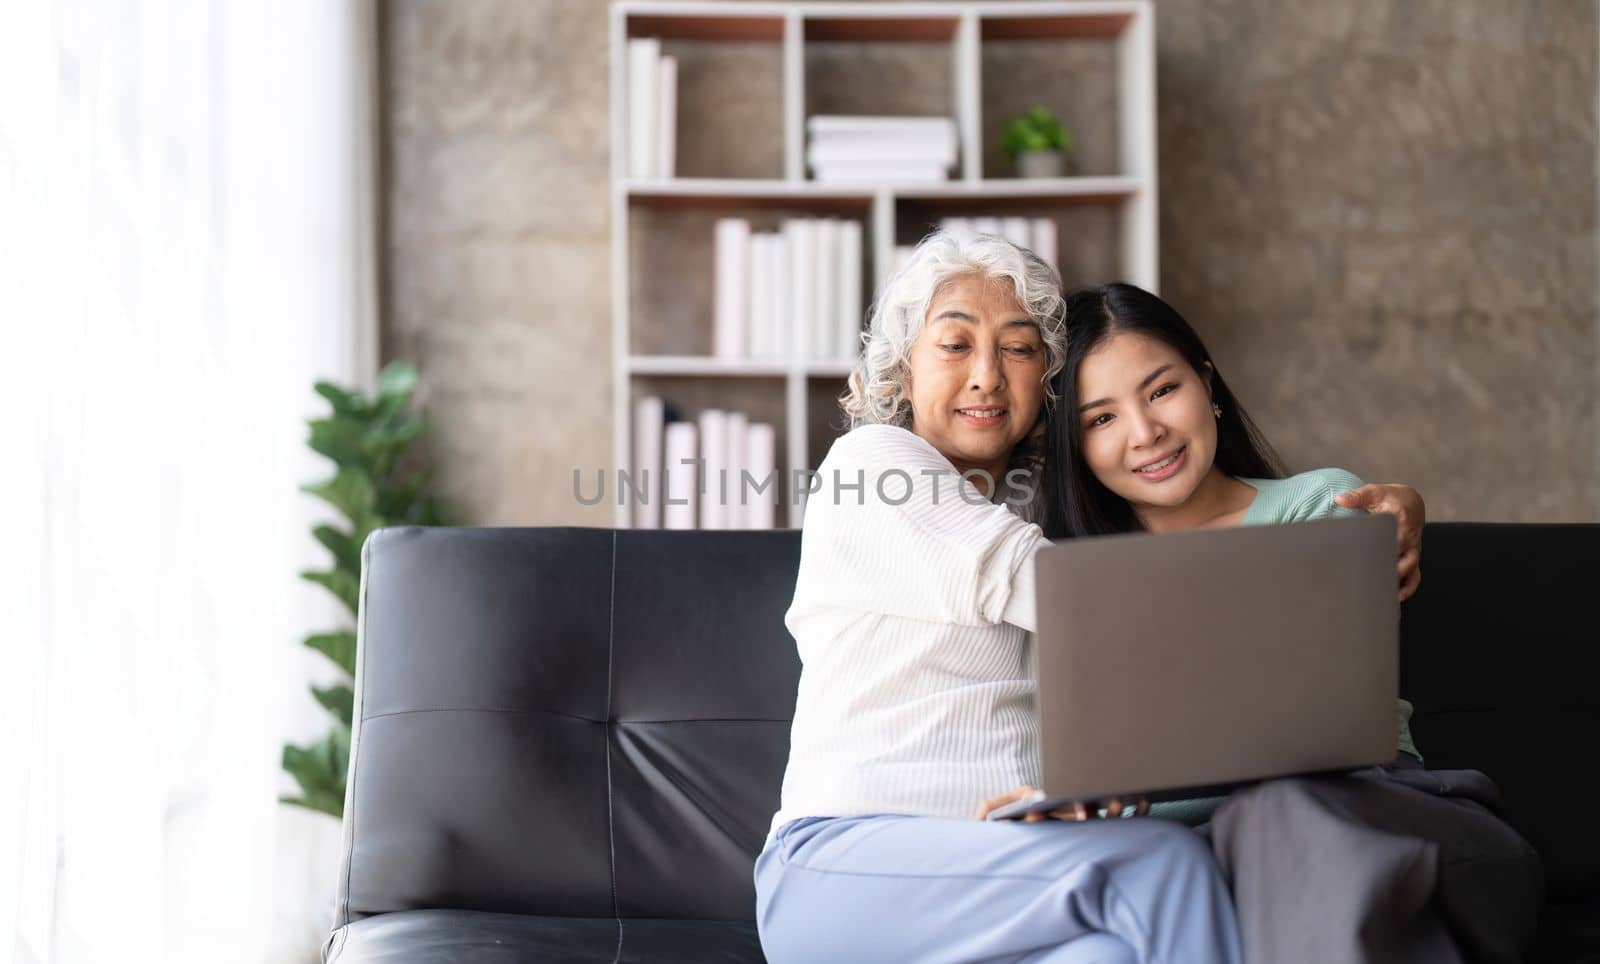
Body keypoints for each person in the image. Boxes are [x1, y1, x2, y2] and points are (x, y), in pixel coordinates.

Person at [753, 230, 1424, 964]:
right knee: (1159, 868)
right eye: (954, 345)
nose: (986, 375)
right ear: (904, 369)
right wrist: (1315, 571)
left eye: (1018, 348)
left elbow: (1098, 711)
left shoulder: (1043, 512)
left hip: (1009, 869)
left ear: (1046, 382)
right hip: (848, 857)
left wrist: (1099, 787)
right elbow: (1055, 593)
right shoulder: (874, 468)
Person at [1038, 282, 1542, 964]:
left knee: (1276, 810)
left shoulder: (1323, 506)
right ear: (1074, 446)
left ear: (1206, 382)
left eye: (1161, 390)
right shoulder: (1070, 579)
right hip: (1228, 873)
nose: (1144, 432)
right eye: (1100, 420)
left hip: (1393, 819)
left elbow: (1333, 735)